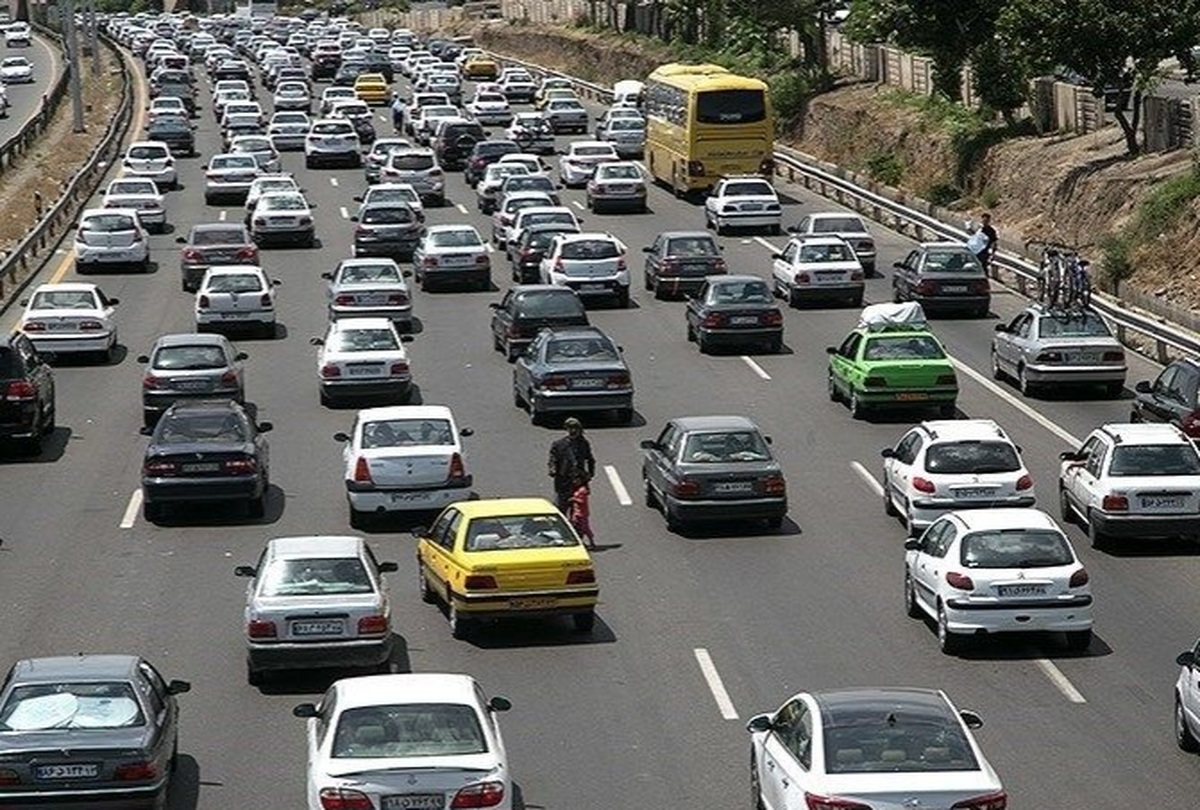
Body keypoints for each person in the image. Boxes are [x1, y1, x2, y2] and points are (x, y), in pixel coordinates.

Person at [548, 417, 595, 512]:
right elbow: (553, 459)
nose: (573, 430)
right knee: (561, 508)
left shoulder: (583, 443)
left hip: (578, 481)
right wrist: (552, 469)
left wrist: (590, 474)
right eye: (570, 428)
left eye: (575, 428)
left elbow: (590, 459)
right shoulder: (558, 444)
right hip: (563, 482)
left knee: (578, 511)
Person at [568, 474, 594, 549]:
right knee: (575, 526)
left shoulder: (583, 490)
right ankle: (580, 542)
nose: (575, 482)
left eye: (577, 480)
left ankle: (591, 542)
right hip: (576, 512)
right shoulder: (576, 489)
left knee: (585, 528)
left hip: (582, 512)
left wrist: (574, 499)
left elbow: (583, 501)